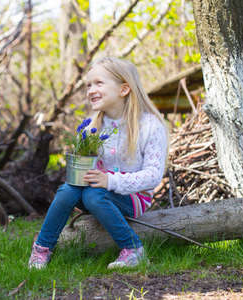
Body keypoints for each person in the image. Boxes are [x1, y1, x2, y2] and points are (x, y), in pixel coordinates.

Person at [28, 57, 168, 269]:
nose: (91, 90)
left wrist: (109, 180)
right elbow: (89, 171)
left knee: (94, 194)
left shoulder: (149, 126)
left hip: (133, 197)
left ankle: (133, 249)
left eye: (99, 83)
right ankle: (42, 248)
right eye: (88, 85)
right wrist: (80, 169)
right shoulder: (93, 127)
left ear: (124, 89)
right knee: (67, 190)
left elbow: (153, 177)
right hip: (97, 192)